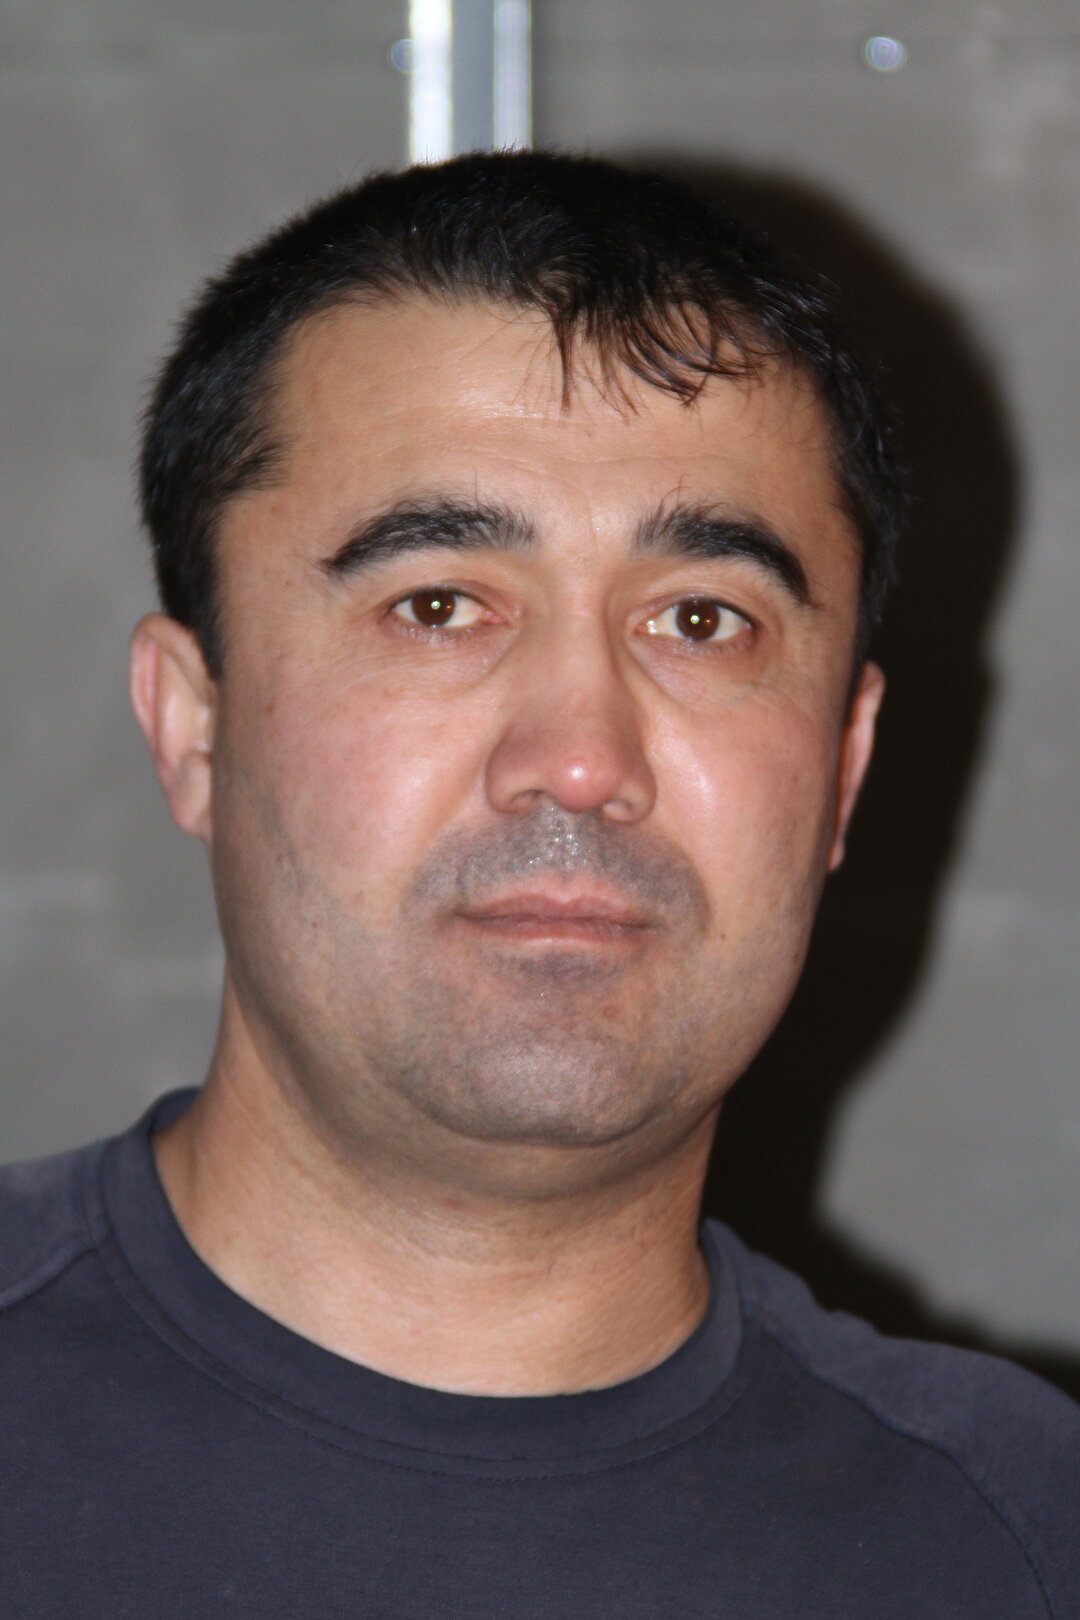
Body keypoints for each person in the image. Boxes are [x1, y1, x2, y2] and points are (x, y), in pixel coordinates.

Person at [3, 151, 1078, 1618]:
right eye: (438, 605)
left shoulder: (1019, 1544)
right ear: (194, 728)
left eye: (701, 622)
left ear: (842, 768)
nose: (579, 761)